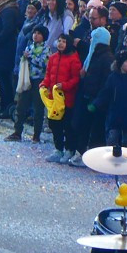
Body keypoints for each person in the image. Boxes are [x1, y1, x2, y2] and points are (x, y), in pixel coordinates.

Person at [70, 24, 113, 164]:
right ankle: (82, 153)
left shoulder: (105, 57)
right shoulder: (94, 54)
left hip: (96, 99)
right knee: (83, 126)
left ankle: (92, 158)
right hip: (88, 95)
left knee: (95, 130)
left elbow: (105, 82)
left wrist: (97, 101)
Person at [90, 50, 127, 149]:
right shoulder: (112, 78)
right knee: (112, 140)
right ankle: (111, 162)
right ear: (120, 63)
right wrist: (95, 104)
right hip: (114, 115)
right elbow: (105, 93)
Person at [40, 33, 82, 163]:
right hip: (54, 100)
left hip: (67, 98)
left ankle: (69, 149)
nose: (60, 44)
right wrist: (44, 84)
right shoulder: (53, 58)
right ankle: (58, 149)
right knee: (54, 124)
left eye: (63, 41)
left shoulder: (74, 59)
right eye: (59, 41)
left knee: (67, 125)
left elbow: (76, 79)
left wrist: (64, 85)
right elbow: (48, 75)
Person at [5, 24, 50, 143]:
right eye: (35, 33)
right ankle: (17, 131)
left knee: (38, 108)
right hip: (27, 79)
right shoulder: (29, 47)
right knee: (21, 106)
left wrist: (30, 58)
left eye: (39, 33)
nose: (36, 35)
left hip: (39, 80)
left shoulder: (46, 49)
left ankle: (36, 135)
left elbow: (44, 63)